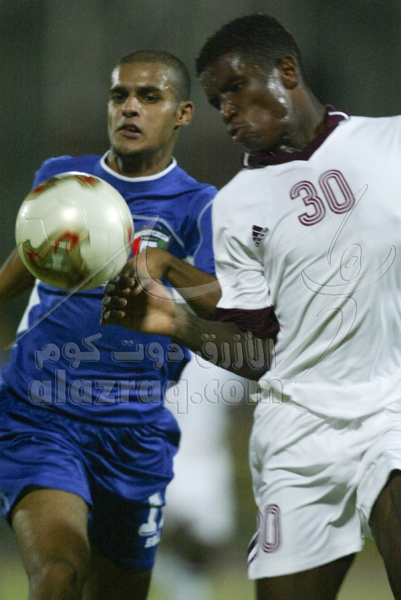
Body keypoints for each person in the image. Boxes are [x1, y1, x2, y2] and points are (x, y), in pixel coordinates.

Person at [101, 13, 401, 600]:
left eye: (236, 88)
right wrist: (175, 322)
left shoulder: (390, 144)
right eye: (218, 102)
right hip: (296, 431)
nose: (228, 110)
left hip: (391, 408)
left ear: (286, 72)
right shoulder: (236, 208)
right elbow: (259, 353)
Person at [0, 50, 220, 600]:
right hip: (41, 413)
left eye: (150, 97)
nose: (130, 108)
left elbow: (221, 305)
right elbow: (22, 266)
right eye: (120, 95)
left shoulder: (199, 206)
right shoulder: (63, 181)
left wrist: (165, 265)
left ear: (183, 113)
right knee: (58, 571)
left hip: (134, 432)